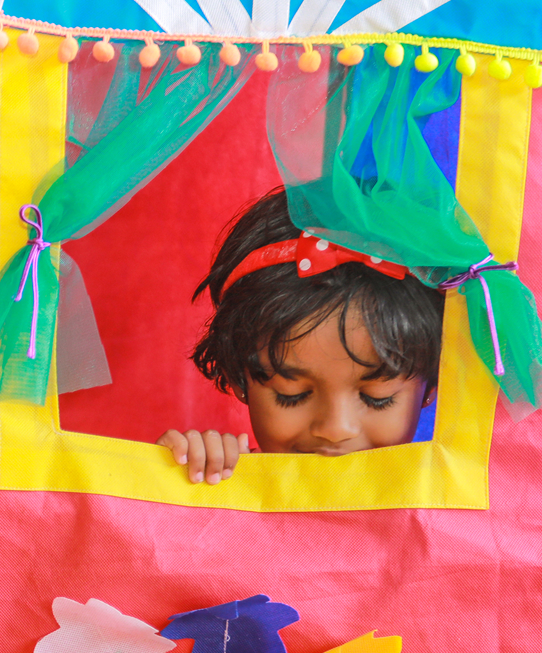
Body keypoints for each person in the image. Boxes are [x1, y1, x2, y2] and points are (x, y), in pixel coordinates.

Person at [160, 189, 444, 484]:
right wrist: (172, 482)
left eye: (377, 399)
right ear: (239, 378)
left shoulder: (459, 509)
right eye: (291, 395)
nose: (336, 429)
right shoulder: (225, 486)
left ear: (432, 385)